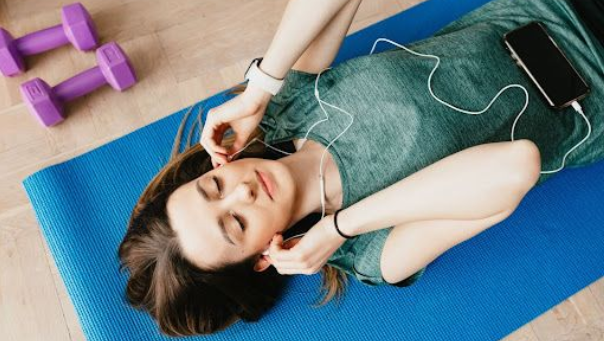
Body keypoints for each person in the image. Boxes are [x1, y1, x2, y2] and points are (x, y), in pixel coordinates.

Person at [118, 0, 604, 336]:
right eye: (236, 224)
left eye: (216, 185)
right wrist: (341, 226)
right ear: (263, 258)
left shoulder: (289, 109)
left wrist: (261, 86)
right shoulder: (375, 252)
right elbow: (517, 165)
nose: (242, 191)